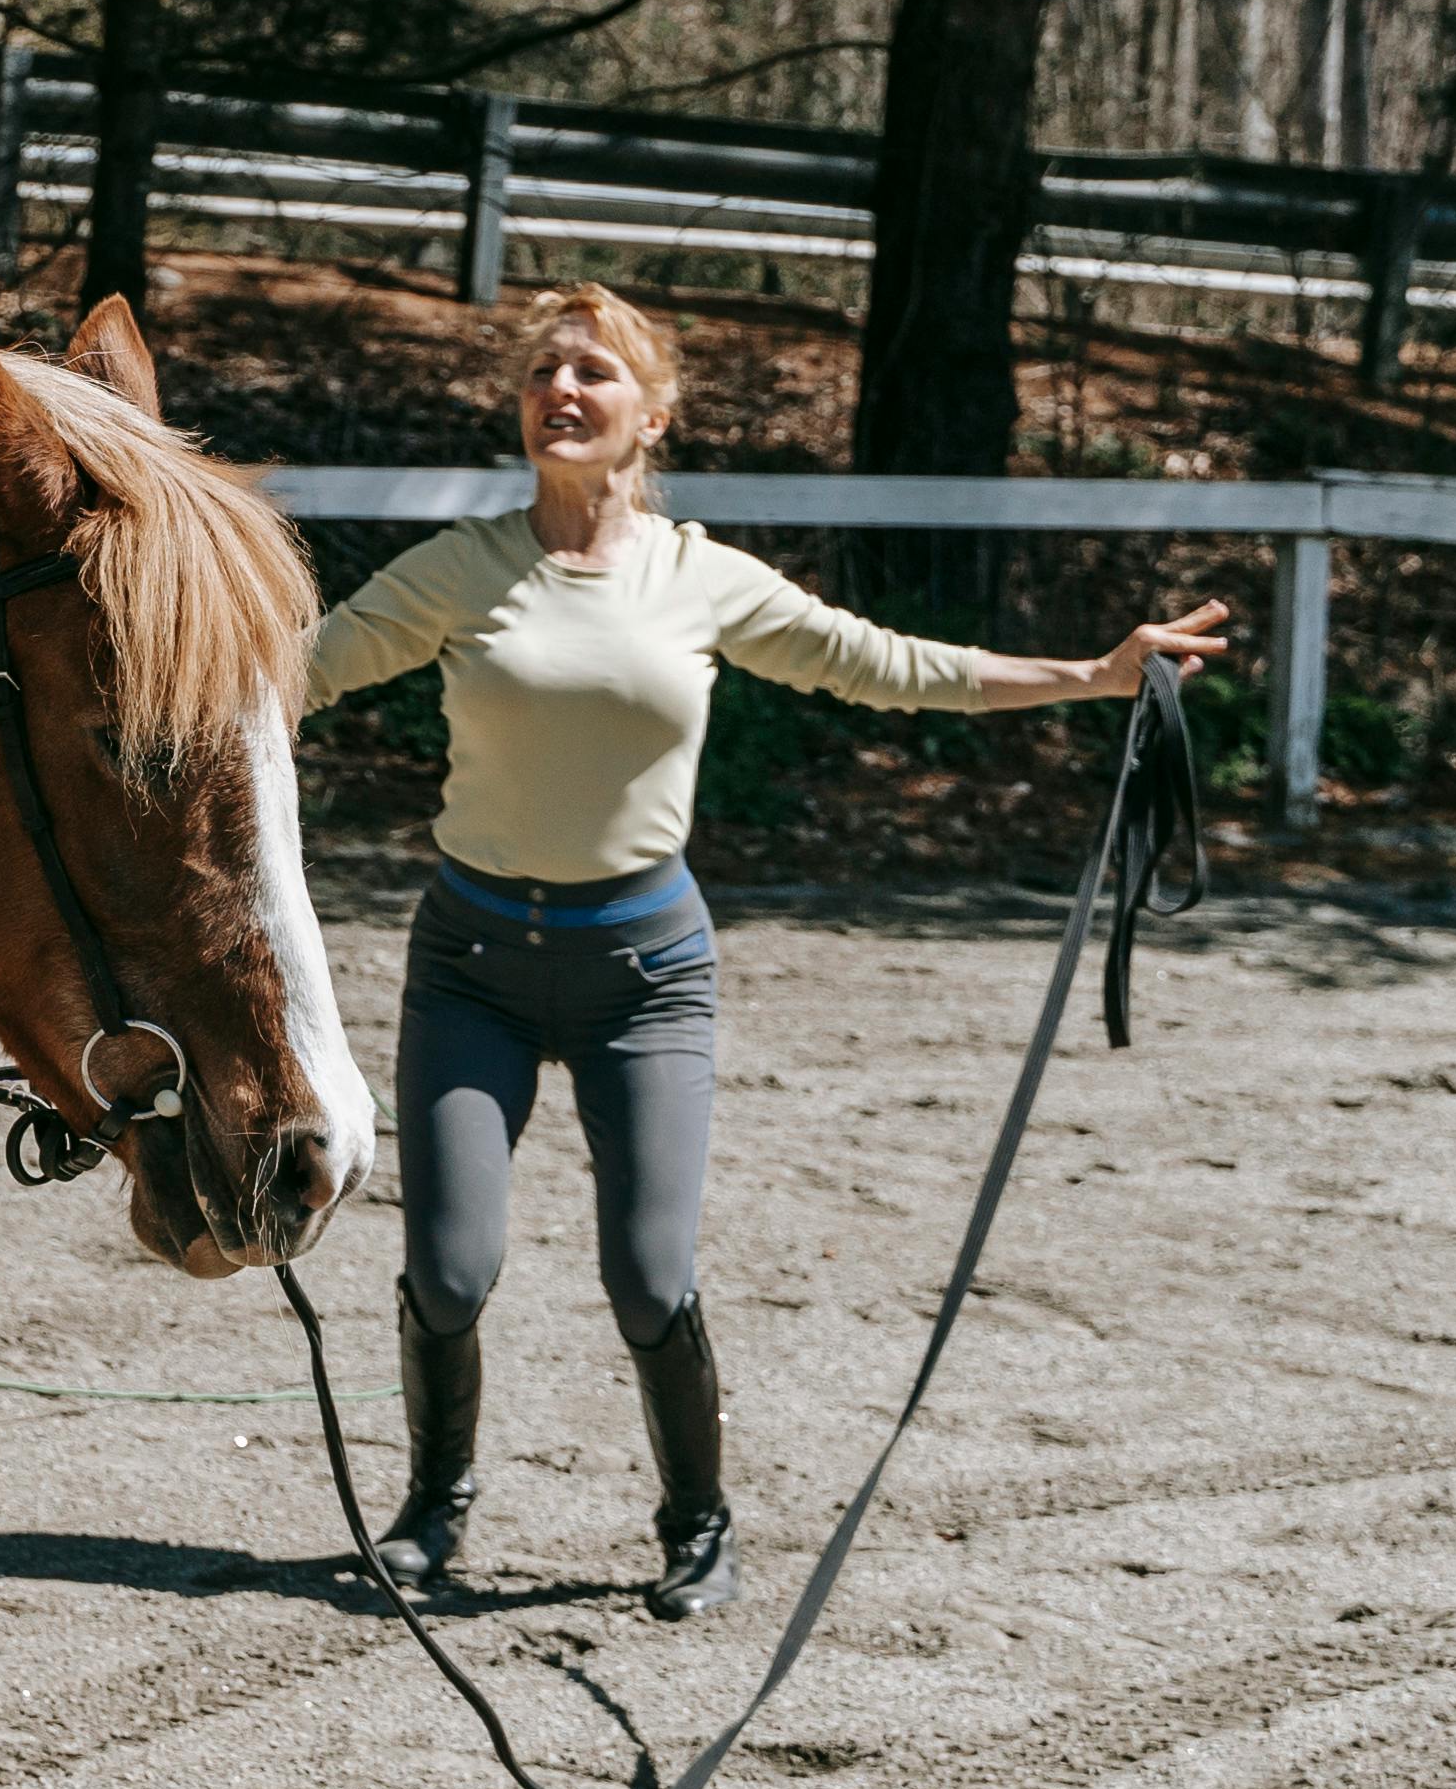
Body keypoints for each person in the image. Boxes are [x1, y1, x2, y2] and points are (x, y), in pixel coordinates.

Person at [300, 284, 1223, 1621]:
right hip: (470, 969)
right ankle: (432, 1514)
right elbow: (298, 672)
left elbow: (885, 665)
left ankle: (697, 1525)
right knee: (448, 1271)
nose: (562, 391)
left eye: (594, 373)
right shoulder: (460, 568)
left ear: (650, 415)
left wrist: (1091, 674)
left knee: (650, 1277)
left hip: (645, 980)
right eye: (543, 372)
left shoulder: (702, 580)